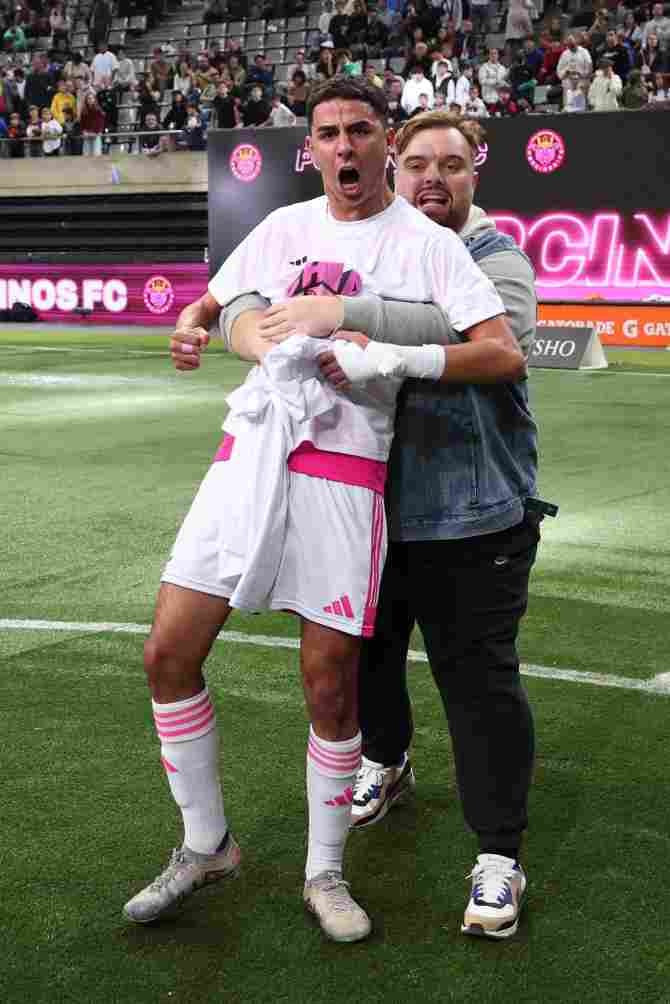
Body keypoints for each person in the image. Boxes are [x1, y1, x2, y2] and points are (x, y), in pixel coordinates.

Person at [127, 77, 509, 945]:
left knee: (331, 681)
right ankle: (205, 844)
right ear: (313, 148)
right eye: (329, 133)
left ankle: (324, 870)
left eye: (361, 132)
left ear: (385, 144)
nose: (344, 147)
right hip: (249, 456)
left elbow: (503, 355)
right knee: (167, 652)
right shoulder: (283, 228)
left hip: (344, 472)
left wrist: (393, 360)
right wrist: (203, 330)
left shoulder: (427, 244)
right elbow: (213, 306)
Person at [227, 109, 541, 941]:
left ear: (477, 174)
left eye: (452, 164)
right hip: (363, 506)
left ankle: (499, 855)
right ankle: (388, 763)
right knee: (367, 665)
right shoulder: (354, 241)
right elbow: (252, 300)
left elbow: (496, 340)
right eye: (417, 163)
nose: (433, 177)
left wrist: (350, 315)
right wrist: (224, 321)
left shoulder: (490, 255)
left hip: (470, 516)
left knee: (476, 683)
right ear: (393, 169)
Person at [79, 91, 105, 155]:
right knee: (86, 154)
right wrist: (84, 131)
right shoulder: (84, 111)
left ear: (94, 99)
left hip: (96, 134)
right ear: (86, 100)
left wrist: (99, 131)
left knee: (96, 153)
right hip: (87, 134)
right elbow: (82, 123)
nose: (90, 100)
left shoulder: (98, 110)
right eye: (88, 98)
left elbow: (101, 122)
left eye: (91, 98)